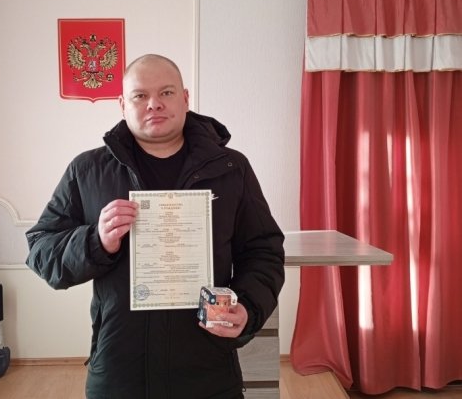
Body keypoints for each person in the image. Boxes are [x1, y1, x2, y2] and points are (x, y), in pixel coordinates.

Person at [25, 54, 285, 399]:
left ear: (185, 98)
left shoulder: (231, 168)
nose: (154, 104)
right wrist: (96, 241)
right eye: (140, 95)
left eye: (166, 92)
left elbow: (263, 251)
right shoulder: (87, 170)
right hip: (120, 372)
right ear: (122, 104)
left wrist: (249, 307)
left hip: (209, 369)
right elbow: (41, 251)